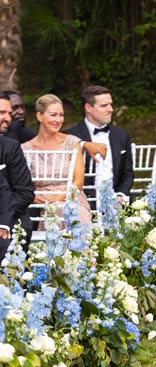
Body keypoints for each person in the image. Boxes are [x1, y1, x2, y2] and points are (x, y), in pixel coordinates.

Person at [21, 94, 92, 226]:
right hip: (39, 203)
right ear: (39, 116)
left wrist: (58, 198)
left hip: (71, 198)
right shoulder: (25, 149)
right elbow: (21, 183)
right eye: (53, 115)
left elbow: (78, 182)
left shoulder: (72, 142)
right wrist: (34, 197)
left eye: (61, 115)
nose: (58, 120)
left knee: (69, 212)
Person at [65, 85, 134, 207]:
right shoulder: (71, 136)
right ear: (88, 108)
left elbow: (128, 172)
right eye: (104, 106)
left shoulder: (122, 135)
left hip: (117, 201)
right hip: (83, 203)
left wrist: (121, 195)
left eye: (110, 104)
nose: (111, 109)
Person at [0, 92, 35, 256]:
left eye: (9, 113)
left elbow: (25, 193)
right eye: (2, 113)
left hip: (13, 217)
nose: (8, 118)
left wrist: (3, 217)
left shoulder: (11, 147)